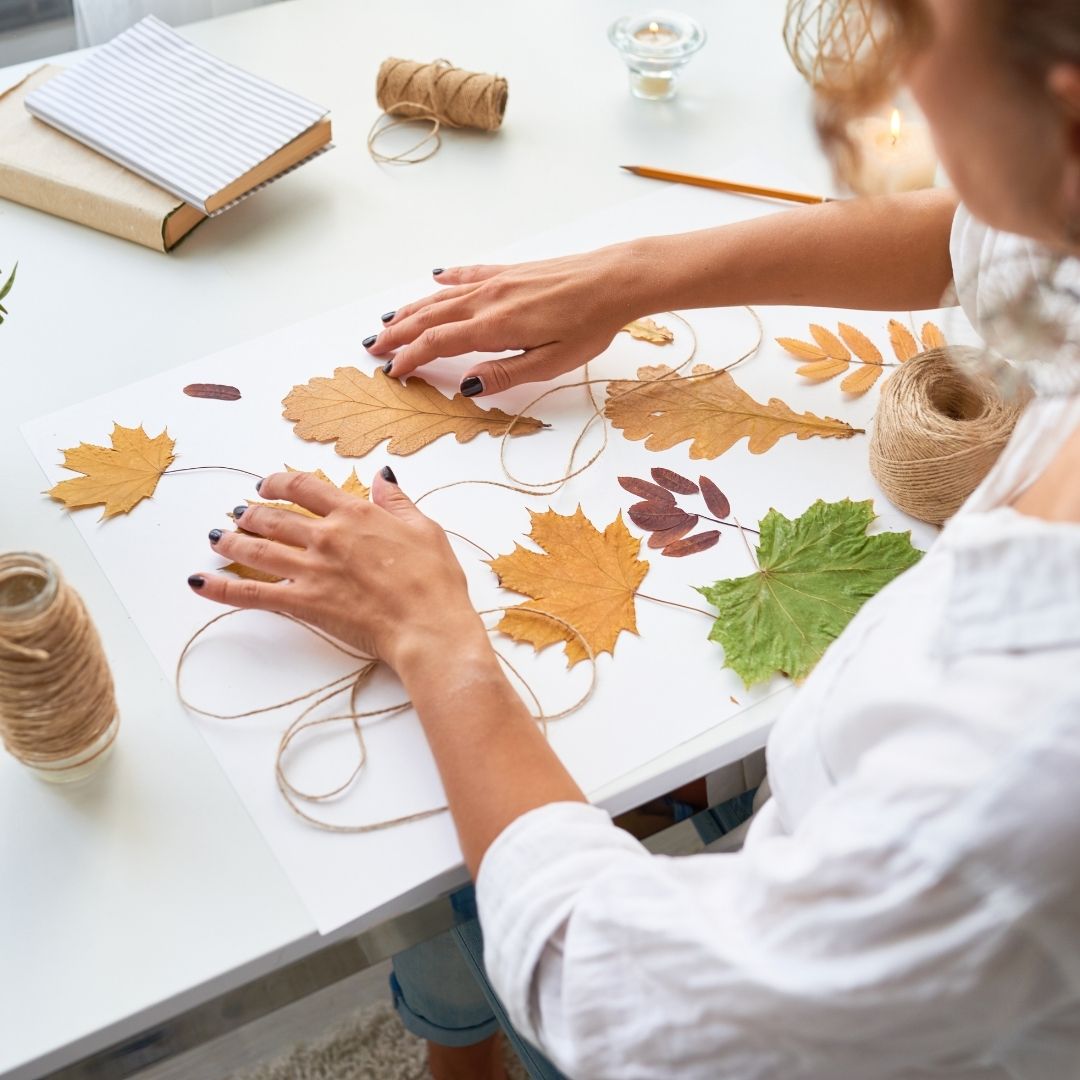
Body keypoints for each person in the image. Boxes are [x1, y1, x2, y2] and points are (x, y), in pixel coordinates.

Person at [186, 0, 1080, 1075]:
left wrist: (440, 647)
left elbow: (610, 991)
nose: (891, 68)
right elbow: (988, 236)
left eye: (914, 28)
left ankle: (459, 1038)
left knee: (465, 865)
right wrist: (635, 274)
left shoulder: (1018, 761)